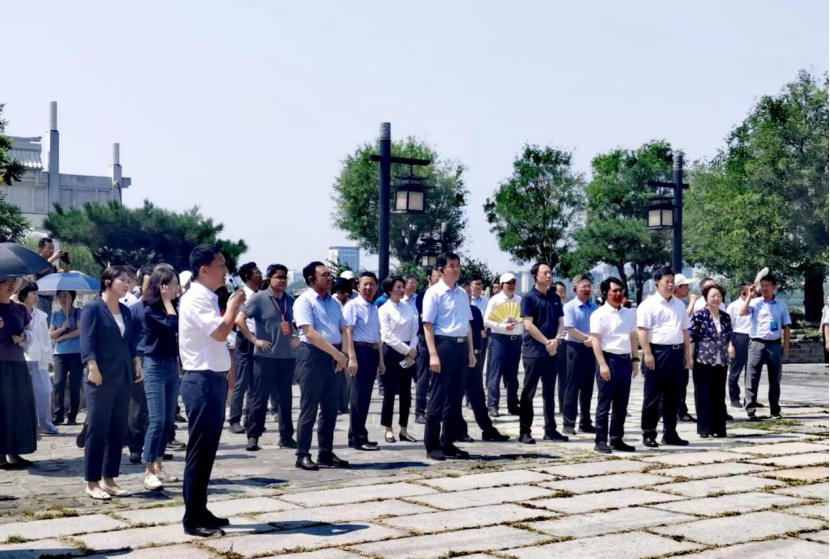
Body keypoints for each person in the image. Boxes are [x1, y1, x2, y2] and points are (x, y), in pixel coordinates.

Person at [178, 245, 245, 536]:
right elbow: (219, 332)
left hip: (212, 379)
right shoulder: (195, 298)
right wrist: (232, 306)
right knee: (199, 451)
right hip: (201, 381)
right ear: (203, 270)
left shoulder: (207, 297)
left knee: (207, 452)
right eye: (220, 266)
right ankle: (192, 518)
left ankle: (200, 509)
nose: (225, 271)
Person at [80, 266, 143, 500]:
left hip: (123, 374)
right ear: (107, 282)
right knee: (98, 428)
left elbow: (130, 341)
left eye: (129, 281)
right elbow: (87, 341)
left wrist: (136, 360)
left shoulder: (125, 310)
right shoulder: (93, 309)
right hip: (100, 375)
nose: (127, 284)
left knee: (117, 428)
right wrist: (92, 366)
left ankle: (109, 478)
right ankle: (92, 481)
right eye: (122, 280)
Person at [293, 261, 350, 470]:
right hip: (312, 356)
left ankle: (325, 453)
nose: (329, 278)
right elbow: (309, 332)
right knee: (309, 408)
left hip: (334, 356)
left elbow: (343, 329)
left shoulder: (334, 302)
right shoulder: (304, 301)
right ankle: (302, 454)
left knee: (330, 409)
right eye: (324, 275)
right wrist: (337, 355)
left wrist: (343, 354)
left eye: (329, 274)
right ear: (311, 279)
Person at [236, 264, 299, 452]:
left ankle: (286, 436)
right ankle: (253, 436)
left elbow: (301, 323)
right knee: (259, 398)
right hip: (265, 357)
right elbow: (239, 320)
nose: (283, 280)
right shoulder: (259, 298)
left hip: (286, 357)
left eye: (285, 277)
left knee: (285, 399)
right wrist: (254, 340)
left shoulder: (290, 300)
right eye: (279, 277)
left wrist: (298, 337)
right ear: (269, 278)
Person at [421, 252, 475, 461]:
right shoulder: (434, 293)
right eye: (451, 265)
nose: (456, 269)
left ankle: (448, 442)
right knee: (438, 396)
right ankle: (432, 444)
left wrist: (470, 351)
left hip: (461, 346)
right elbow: (428, 325)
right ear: (441, 270)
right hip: (443, 345)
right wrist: (433, 354)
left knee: (455, 397)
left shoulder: (461, 293)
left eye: (458, 265)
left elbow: (467, 324)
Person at [637, 267, 692, 448]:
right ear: (656, 284)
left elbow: (685, 330)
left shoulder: (679, 305)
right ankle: (649, 433)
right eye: (666, 282)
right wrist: (647, 353)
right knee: (653, 395)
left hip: (676, 352)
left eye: (672, 282)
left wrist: (687, 354)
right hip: (657, 352)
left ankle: (670, 433)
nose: (670, 285)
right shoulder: (648, 305)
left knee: (673, 395)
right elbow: (642, 331)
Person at [140, 267, 181, 491]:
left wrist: (170, 304)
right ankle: (148, 471)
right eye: (173, 284)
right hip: (155, 365)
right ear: (162, 287)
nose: (176, 288)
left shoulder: (174, 307)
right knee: (156, 419)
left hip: (172, 365)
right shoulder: (150, 310)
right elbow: (171, 326)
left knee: (167, 420)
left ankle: (158, 466)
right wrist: (167, 302)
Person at [518, 263, 568, 444]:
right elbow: (528, 325)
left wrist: (556, 340)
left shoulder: (554, 298)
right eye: (545, 273)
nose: (549, 276)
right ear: (535, 275)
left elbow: (561, 322)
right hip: (534, 352)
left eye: (550, 273)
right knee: (529, 392)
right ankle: (524, 431)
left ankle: (550, 429)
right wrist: (547, 342)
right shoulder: (528, 298)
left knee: (549, 392)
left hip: (552, 351)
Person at [590, 277, 639, 454]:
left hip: (625, 361)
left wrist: (635, 360)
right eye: (614, 290)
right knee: (604, 403)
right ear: (605, 293)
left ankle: (617, 438)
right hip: (608, 360)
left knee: (621, 405)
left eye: (620, 290)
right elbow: (595, 340)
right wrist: (602, 364)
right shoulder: (599, 314)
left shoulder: (629, 313)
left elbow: (633, 337)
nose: (618, 293)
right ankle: (600, 440)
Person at [458, 280, 509, 443]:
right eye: (464, 293)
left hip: (475, 357)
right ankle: (459, 430)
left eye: (468, 293)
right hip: (458, 357)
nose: (467, 296)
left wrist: (478, 352)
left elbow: (481, 333)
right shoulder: (455, 311)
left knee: (478, 395)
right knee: (455, 396)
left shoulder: (475, 311)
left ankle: (487, 429)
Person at [740, 274, 791, 420]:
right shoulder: (755, 303)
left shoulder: (781, 305)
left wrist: (786, 346)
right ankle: (750, 409)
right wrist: (749, 296)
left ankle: (774, 410)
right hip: (756, 344)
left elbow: (786, 326)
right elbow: (742, 312)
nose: (764, 288)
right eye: (762, 286)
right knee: (752, 377)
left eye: (767, 285)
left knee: (775, 379)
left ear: (774, 287)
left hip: (774, 344)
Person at [343, 272, 383, 451]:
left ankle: (357, 435)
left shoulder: (374, 307)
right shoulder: (353, 306)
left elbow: (378, 335)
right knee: (357, 397)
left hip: (372, 352)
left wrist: (380, 360)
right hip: (359, 351)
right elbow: (348, 332)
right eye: (365, 284)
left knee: (365, 397)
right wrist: (352, 357)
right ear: (357, 286)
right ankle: (358, 438)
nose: (368, 288)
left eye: (372, 284)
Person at [0, 277, 37, 470]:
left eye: (14, 281)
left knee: (17, 407)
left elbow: (31, 334)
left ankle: (13, 452)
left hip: (16, 362)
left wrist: (23, 337)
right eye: (7, 281)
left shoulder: (20, 309)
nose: (12, 285)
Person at [378, 275, 419, 443]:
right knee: (389, 393)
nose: (402, 290)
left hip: (409, 353)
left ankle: (404, 429)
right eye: (398, 287)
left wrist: (412, 352)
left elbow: (415, 331)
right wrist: (408, 350)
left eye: (403, 287)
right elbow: (387, 335)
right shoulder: (383, 309)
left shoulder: (409, 308)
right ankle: (388, 428)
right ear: (389, 290)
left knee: (406, 393)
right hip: (391, 352)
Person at [690, 283, 732, 438]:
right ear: (706, 298)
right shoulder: (699, 315)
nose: (716, 298)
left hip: (721, 359)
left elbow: (729, 335)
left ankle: (719, 428)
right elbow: (692, 337)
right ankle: (705, 429)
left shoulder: (725, 316)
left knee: (719, 394)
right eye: (713, 296)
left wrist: (730, 346)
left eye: (719, 296)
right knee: (703, 394)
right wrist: (690, 357)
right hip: (703, 358)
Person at [19, 281, 59, 435]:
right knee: (23, 393)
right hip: (22, 357)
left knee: (45, 391)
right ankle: (29, 425)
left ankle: (45, 423)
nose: (37, 297)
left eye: (37, 293)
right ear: (24, 295)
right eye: (33, 294)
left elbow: (45, 338)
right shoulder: (16, 311)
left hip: (39, 357)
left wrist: (48, 357)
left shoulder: (41, 315)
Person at [562, 274, 599, 435]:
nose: (587, 289)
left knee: (588, 387)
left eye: (589, 286)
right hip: (575, 349)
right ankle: (568, 423)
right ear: (575, 289)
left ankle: (585, 422)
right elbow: (570, 329)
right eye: (583, 286)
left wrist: (593, 341)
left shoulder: (595, 307)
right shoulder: (569, 307)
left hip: (591, 350)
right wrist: (588, 338)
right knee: (573, 386)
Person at [227, 262, 261, 434]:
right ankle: (234, 419)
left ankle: (250, 417)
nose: (260, 275)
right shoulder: (239, 295)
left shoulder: (261, 295)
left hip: (260, 340)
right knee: (242, 381)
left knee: (255, 381)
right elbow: (231, 319)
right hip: (245, 339)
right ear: (247, 276)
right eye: (256, 272)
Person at [484, 273, 523, 417]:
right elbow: (487, 320)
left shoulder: (520, 300)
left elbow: (524, 319)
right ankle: (492, 405)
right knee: (495, 373)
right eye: (508, 283)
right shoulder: (495, 300)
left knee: (513, 375)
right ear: (502, 285)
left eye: (513, 282)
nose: (511, 285)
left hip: (515, 340)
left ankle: (512, 404)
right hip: (499, 339)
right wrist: (502, 326)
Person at [50, 290, 83, 425]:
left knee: (75, 385)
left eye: (66, 296)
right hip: (60, 354)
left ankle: (72, 416)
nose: (63, 299)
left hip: (76, 352)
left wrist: (62, 337)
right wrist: (62, 328)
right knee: (58, 383)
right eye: (60, 296)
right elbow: (51, 335)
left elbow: (80, 330)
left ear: (72, 297)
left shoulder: (78, 312)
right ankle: (58, 415)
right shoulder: (55, 314)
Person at [414, 266, 442, 424]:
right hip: (425, 339)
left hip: (441, 339)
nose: (439, 278)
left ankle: (436, 410)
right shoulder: (423, 295)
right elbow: (425, 317)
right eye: (437, 275)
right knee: (423, 377)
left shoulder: (443, 293)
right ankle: (420, 411)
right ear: (429, 278)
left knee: (438, 377)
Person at [671, 273, 696, 423]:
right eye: (686, 286)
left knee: (682, 382)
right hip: (669, 349)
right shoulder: (673, 304)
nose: (688, 289)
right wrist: (692, 303)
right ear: (678, 288)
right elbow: (683, 322)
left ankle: (680, 410)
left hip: (681, 348)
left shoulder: (679, 304)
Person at [726, 282, 754, 408]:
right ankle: (734, 397)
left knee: (752, 370)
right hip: (739, 337)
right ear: (743, 292)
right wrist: (730, 344)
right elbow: (728, 326)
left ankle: (750, 398)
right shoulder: (733, 306)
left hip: (753, 337)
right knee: (735, 370)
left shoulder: (754, 304)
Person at [330, 278, 352, 413]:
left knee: (346, 376)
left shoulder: (351, 302)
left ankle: (344, 404)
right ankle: (336, 404)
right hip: (335, 341)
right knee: (335, 375)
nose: (341, 294)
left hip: (348, 341)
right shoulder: (332, 301)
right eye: (339, 292)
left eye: (343, 292)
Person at [34, 237, 69, 316]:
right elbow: (40, 270)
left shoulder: (52, 267)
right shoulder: (35, 261)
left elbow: (65, 274)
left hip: (49, 300)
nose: (51, 250)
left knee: (47, 322)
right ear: (40, 249)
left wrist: (67, 263)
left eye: (52, 248)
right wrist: (54, 257)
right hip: (38, 298)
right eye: (49, 248)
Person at [553, 281, 568, 410]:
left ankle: (564, 405)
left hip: (565, 344)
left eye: (564, 292)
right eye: (559, 292)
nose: (562, 294)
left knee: (564, 376)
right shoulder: (549, 307)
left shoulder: (568, 308)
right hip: (552, 344)